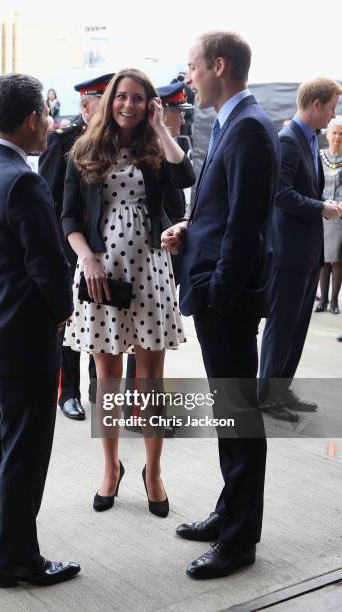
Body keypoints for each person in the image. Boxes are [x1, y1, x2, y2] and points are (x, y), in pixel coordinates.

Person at [0, 73, 80, 588]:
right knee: (23, 451)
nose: (50, 125)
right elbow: (49, 269)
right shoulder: (23, 181)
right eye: (46, 116)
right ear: (32, 119)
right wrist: (61, 312)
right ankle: (17, 559)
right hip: (22, 340)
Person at [163, 31, 280, 579]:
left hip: (226, 300)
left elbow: (248, 226)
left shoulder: (251, 127)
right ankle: (229, 512)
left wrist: (218, 292)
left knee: (238, 419)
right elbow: (222, 211)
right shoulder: (233, 121)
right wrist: (190, 226)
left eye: (192, 68)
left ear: (219, 65)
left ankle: (238, 541)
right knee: (228, 413)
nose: (188, 78)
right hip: (216, 289)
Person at [62, 67, 195, 516]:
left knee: (150, 383)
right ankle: (109, 468)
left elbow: (185, 179)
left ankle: (153, 473)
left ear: (149, 104)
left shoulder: (157, 148)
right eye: (122, 97)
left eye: (139, 99)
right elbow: (68, 218)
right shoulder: (84, 148)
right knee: (107, 381)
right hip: (101, 274)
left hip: (151, 272)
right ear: (109, 100)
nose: (128, 105)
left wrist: (160, 126)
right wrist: (87, 257)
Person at [260, 78, 342, 422]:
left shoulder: (308, 139)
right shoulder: (287, 141)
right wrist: (321, 206)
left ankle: (282, 388)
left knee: (298, 325)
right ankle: (266, 396)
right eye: (333, 105)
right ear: (317, 105)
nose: (335, 114)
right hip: (289, 251)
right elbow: (280, 194)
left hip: (307, 250)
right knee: (281, 325)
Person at [39, 74, 114, 420]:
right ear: (85, 105)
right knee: (70, 323)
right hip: (69, 247)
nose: (115, 103)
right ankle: (67, 392)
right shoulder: (63, 140)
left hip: (109, 248)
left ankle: (100, 390)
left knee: (105, 319)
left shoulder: (118, 140)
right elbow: (48, 201)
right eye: (105, 97)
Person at [123, 81, 194, 437]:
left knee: (152, 335)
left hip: (167, 248)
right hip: (144, 250)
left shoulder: (171, 145)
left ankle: (141, 406)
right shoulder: (140, 148)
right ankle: (139, 410)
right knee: (143, 334)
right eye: (175, 113)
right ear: (158, 112)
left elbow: (183, 181)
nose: (180, 121)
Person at [315, 116, 342, 314]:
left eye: (341, 134)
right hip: (324, 214)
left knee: (338, 259)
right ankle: (322, 300)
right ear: (327, 134)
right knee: (324, 259)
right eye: (334, 132)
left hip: (341, 217)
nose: (338, 137)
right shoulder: (319, 155)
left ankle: (334, 301)